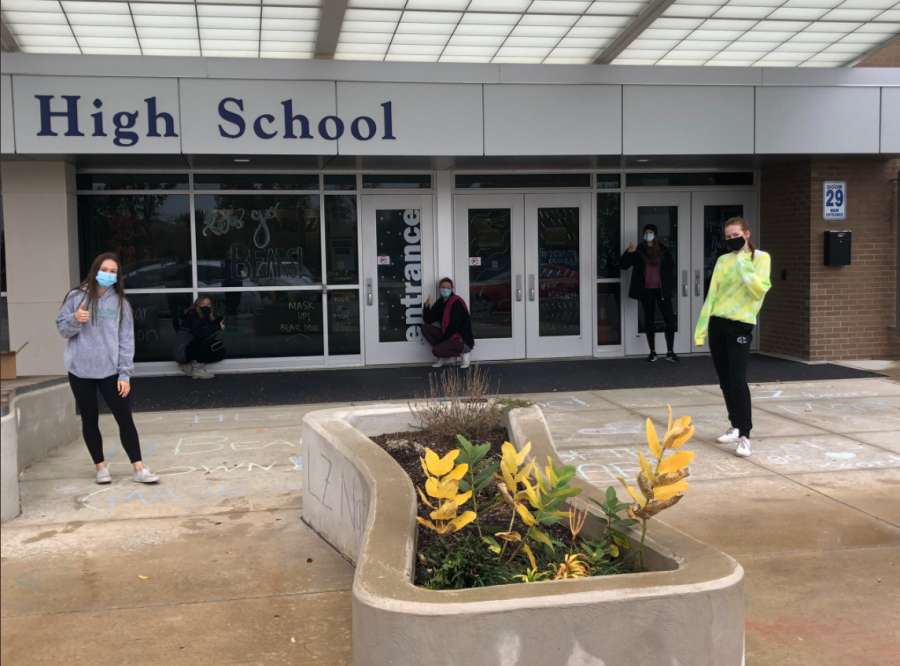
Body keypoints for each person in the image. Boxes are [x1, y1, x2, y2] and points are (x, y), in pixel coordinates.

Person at [56, 253, 159, 485]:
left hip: (111, 372)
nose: (108, 275)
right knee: (89, 419)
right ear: (95, 270)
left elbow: (126, 341)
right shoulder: (76, 296)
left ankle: (139, 468)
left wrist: (125, 374)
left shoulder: (121, 303)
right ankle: (101, 468)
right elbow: (62, 329)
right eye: (105, 270)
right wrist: (75, 318)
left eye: (113, 272)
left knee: (125, 418)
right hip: (80, 371)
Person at [694, 217, 772, 459]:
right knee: (725, 380)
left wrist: (743, 262)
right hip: (718, 322)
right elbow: (712, 295)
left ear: (746, 234)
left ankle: (745, 436)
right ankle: (735, 425)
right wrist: (702, 329)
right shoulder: (722, 260)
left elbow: (758, 290)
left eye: (735, 234)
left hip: (740, 325)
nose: (731, 239)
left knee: (738, 379)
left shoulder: (761, 258)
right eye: (727, 236)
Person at [620, 223, 678, 362]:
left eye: (650, 232)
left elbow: (670, 268)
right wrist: (628, 252)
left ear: (655, 234)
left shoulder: (664, 251)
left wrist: (670, 285)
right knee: (649, 321)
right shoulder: (638, 250)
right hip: (646, 291)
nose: (648, 234)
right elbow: (623, 265)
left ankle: (670, 352)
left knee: (669, 321)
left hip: (662, 291)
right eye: (646, 232)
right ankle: (652, 352)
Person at [422, 278, 475, 369]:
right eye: (443, 287)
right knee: (425, 328)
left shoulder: (456, 302)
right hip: (448, 336)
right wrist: (426, 306)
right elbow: (429, 320)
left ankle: (464, 354)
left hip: (462, 339)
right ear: (439, 288)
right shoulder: (440, 303)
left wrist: (442, 341)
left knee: (436, 351)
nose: (445, 289)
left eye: (448, 287)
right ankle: (444, 354)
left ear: (452, 288)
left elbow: (454, 326)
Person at [174, 295, 226, 379]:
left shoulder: (203, 317)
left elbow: (207, 333)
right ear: (197, 305)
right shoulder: (193, 315)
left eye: (208, 304)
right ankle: (198, 369)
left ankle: (189, 366)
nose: (206, 306)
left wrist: (217, 323)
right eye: (203, 303)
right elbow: (201, 335)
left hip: (191, 349)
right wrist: (218, 328)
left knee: (220, 352)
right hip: (182, 352)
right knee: (203, 341)